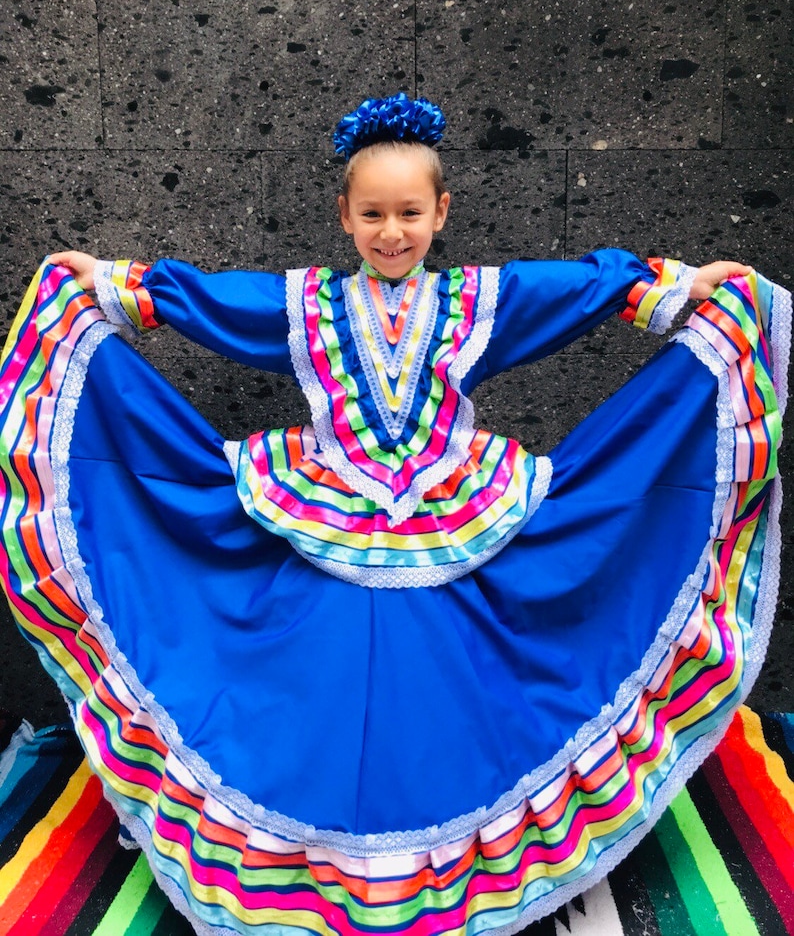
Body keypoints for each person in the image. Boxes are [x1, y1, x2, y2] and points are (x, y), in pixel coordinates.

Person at [0, 93, 788, 936]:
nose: (392, 233)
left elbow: (571, 290)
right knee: (322, 699)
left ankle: (441, 845)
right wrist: (111, 287)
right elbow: (219, 302)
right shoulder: (308, 307)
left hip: (455, 514)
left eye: (410, 213)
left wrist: (672, 288)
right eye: (373, 214)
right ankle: (316, 855)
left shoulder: (477, 302)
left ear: (441, 212)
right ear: (344, 217)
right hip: (323, 514)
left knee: (445, 707)